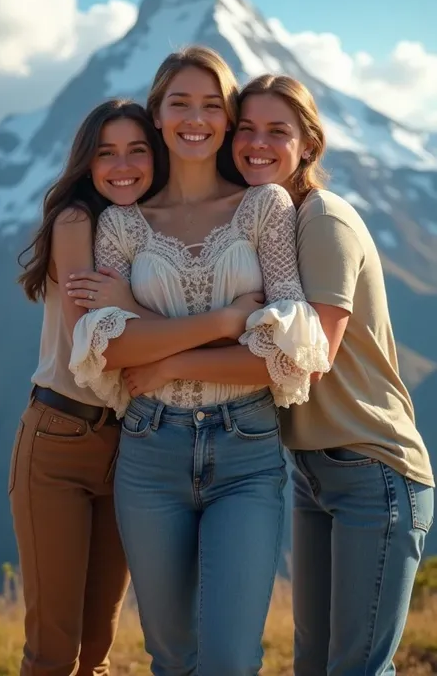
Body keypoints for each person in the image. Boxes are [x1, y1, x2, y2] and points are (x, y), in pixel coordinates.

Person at [68, 47, 329, 676]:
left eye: (212, 105)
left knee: (231, 660)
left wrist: (163, 359)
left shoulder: (264, 207)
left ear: (228, 116)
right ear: (156, 115)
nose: (195, 118)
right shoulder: (125, 224)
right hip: (149, 453)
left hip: (247, 449)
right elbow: (113, 349)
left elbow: (286, 357)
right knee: (171, 656)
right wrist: (224, 321)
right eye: (179, 103)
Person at [231, 75, 434, 676]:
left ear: (308, 145)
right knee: (314, 665)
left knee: (355, 668)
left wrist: (166, 361)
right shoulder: (272, 222)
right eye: (246, 129)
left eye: (277, 131)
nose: (257, 143)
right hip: (316, 471)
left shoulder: (322, 219)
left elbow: (305, 361)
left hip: (375, 469)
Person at [11, 99, 167, 676]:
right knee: (53, 650)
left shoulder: (159, 225)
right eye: (107, 152)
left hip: (134, 446)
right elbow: (90, 345)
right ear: (87, 161)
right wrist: (217, 327)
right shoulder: (77, 220)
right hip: (59, 438)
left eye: (137, 150)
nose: (122, 165)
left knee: (97, 649)